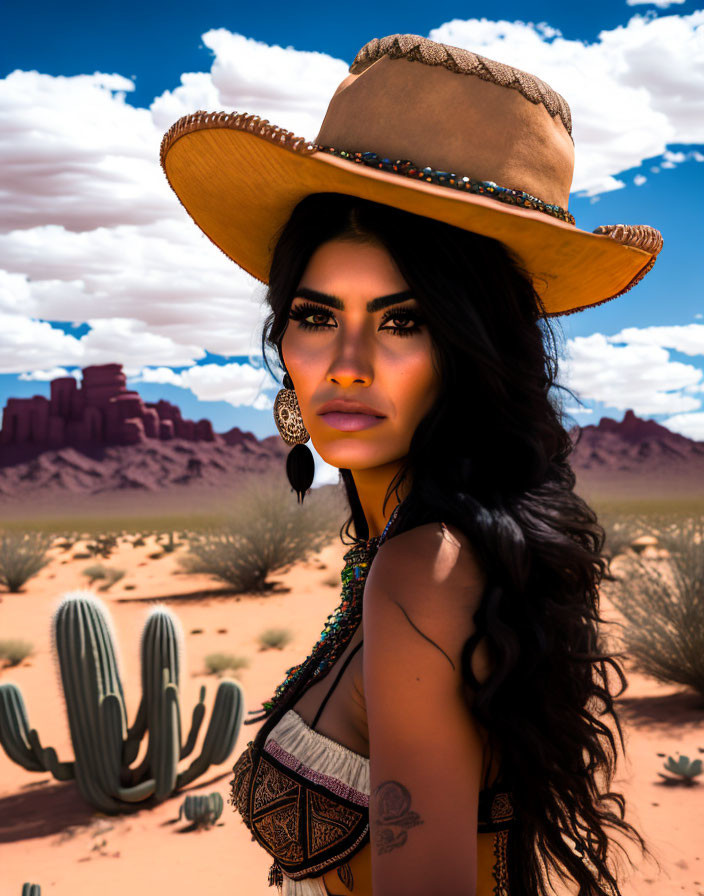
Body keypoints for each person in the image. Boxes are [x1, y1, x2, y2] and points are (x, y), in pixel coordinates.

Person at [160, 33, 663, 896]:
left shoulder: (421, 571)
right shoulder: (425, 551)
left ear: (472, 351)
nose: (346, 362)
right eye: (317, 316)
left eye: (404, 321)